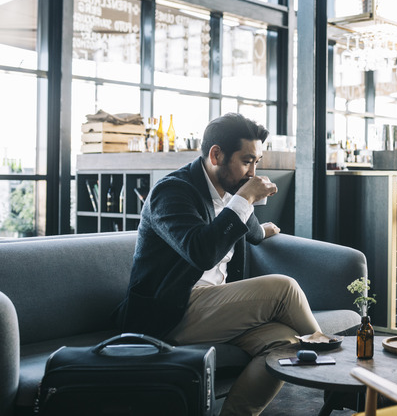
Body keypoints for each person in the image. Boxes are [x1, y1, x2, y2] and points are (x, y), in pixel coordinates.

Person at [113, 113, 321, 415]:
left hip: (214, 309)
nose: (253, 172)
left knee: (284, 343)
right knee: (284, 289)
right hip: (170, 312)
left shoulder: (231, 189)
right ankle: (335, 359)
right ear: (216, 155)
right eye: (247, 161)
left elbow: (246, 230)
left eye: (257, 162)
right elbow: (201, 251)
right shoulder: (171, 192)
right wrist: (245, 198)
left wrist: (263, 230)